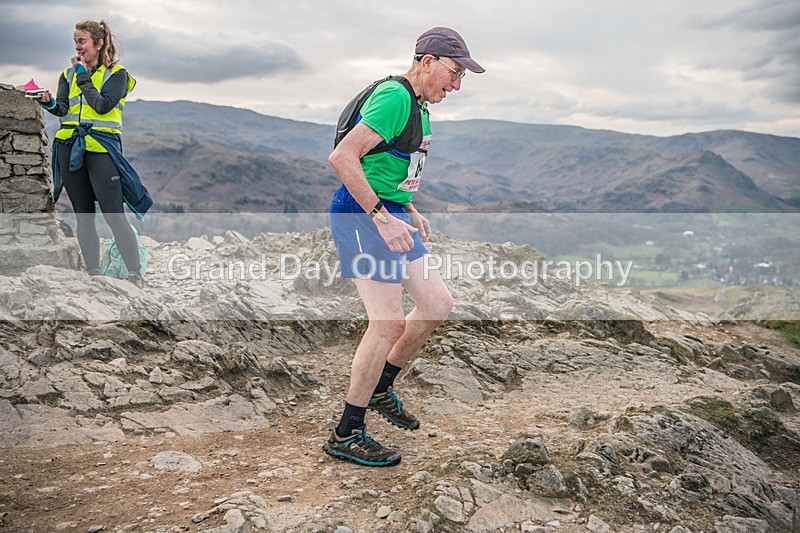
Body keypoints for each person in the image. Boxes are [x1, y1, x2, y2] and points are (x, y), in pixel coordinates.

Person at [325, 27, 485, 466]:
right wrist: (382, 217)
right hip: (362, 217)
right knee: (387, 325)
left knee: (436, 303)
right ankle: (347, 432)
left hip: (390, 212)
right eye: (454, 74)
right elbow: (343, 157)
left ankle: (380, 386)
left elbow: (389, 162)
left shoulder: (418, 105)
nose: (455, 85)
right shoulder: (395, 97)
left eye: (461, 79)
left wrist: (406, 207)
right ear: (427, 62)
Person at [32, 19, 151, 287]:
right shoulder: (67, 75)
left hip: (101, 150)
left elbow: (100, 106)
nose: (77, 46)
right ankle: (94, 274)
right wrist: (48, 102)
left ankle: (135, 275)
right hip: (68, 147)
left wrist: (82, 75)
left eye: (82, 41)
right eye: (75, 41)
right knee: (83, 214)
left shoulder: (117, 75)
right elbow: (63, 108)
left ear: (99, 44)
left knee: (113, 214)